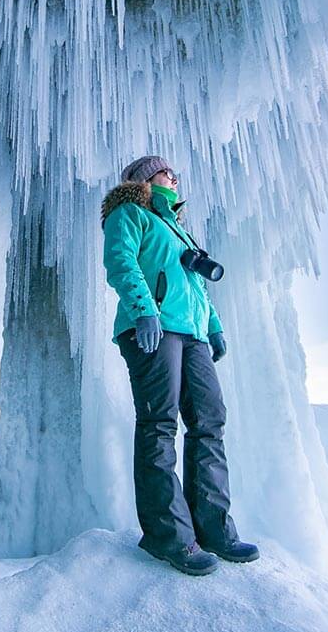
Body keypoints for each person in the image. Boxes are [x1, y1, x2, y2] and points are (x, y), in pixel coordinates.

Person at [100, 155, 259, 576]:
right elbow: (121, 261)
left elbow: (196, 289)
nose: (173, 174)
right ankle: (167, 536)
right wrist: (143, 310)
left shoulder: (180, 230)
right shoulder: (129, 212)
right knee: (159, 423)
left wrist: (215, 327)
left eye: (174, 171)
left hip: (192, 335)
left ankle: (214, 528)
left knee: (209, 422)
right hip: (152, 328)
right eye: (164, 170)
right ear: (143, 178)